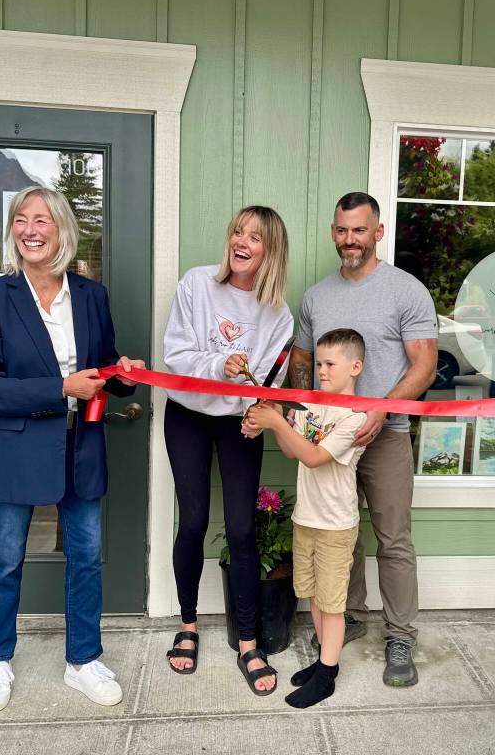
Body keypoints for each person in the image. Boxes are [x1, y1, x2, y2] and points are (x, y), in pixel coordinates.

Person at [0, 186, 143, 713]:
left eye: (42, 219)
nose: (31, 229)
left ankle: (83, 660)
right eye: (22, 220)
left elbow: (101, 367)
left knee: (85, 558)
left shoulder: (91, 296)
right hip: (18, 449)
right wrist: (60, 389)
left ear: (62, 228)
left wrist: (122, 375)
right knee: (4, 561)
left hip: (80, 446)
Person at [289, 192, 437, 687]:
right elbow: (305, 364)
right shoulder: (315, 297)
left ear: (378, 232)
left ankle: (400, 635)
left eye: (358, 230)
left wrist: (381, 407)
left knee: (393, 539)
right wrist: (296, 413)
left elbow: (425, 365)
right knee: (339, 535)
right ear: (333, 232)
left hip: (387, 434)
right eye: (340, 230)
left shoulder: (406, 290)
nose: (348, 239)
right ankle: (344, 617)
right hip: (330, 438)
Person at [162, 205, 293, 695]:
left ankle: (247, 639)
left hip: (241, 422)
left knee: (241, 529)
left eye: (255, 237)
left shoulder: (279, 315)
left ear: (270, 251)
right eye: (237, 230)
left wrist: (258, 398)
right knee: (193, 521)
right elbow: (175, 357)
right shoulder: (196, 285)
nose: (242, 241)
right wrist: (221, 364)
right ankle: (189, 624)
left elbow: (269, 384)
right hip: (189, 417)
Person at [243, 328, 368, 707]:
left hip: (335, 525)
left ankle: (327, 675)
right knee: (313, 596)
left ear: (355, 367)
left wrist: (278, 422)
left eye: (331, 364)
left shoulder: (356, 416)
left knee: (332, 604)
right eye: (319, 363)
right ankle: (322, 661)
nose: (322, 370)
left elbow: (315, 457)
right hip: (306, 519)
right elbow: (291, 451)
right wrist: (276, 417)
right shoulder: (312, 405)